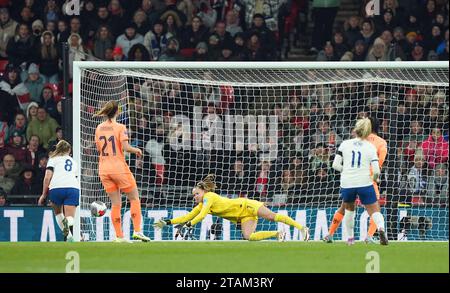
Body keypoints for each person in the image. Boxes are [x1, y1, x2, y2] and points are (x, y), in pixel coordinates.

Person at [154, 174, 310, 241]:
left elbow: (199, 218)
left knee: (271, 216)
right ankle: (277, 233)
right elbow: (188, 216)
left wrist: (188, 225)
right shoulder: (203, 204)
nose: (195, 197)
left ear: (204, 191)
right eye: (193, 195)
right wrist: (168, 222)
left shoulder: (209, 197)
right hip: (243, 216)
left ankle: (301, 228)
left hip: (246, 204)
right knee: (249, 237)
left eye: (196, 194)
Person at [324, 117, 387, 244]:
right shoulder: (377, 144)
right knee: (375, 210)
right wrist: (375, 178)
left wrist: (346, 171)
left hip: (348, 181)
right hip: (367, 180)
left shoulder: (345, 144)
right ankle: (372, 234)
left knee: (346, 209)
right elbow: (378, 165)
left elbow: (335, 165)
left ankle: (336, 236)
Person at [94, 100, 150, 242]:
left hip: (104, 169)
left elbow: (99, 148)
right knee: (134, 198)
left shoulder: (99, 128)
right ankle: (137, 231)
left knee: (115, 203)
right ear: (117, 112)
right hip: (118, 168)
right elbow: (125, 147)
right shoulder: (120, 127)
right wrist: (136, 149)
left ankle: (119, 236)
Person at [38, 140, 79, 242]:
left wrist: (43, 194)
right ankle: (68, 222)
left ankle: (69, 236)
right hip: (72, 188)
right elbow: (76, 177)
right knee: (70, 217)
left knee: (58, 213)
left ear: (57, 149)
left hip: (56, 188)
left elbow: (47, 177)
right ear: (69, 150)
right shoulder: (74, 162)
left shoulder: (52, 159)